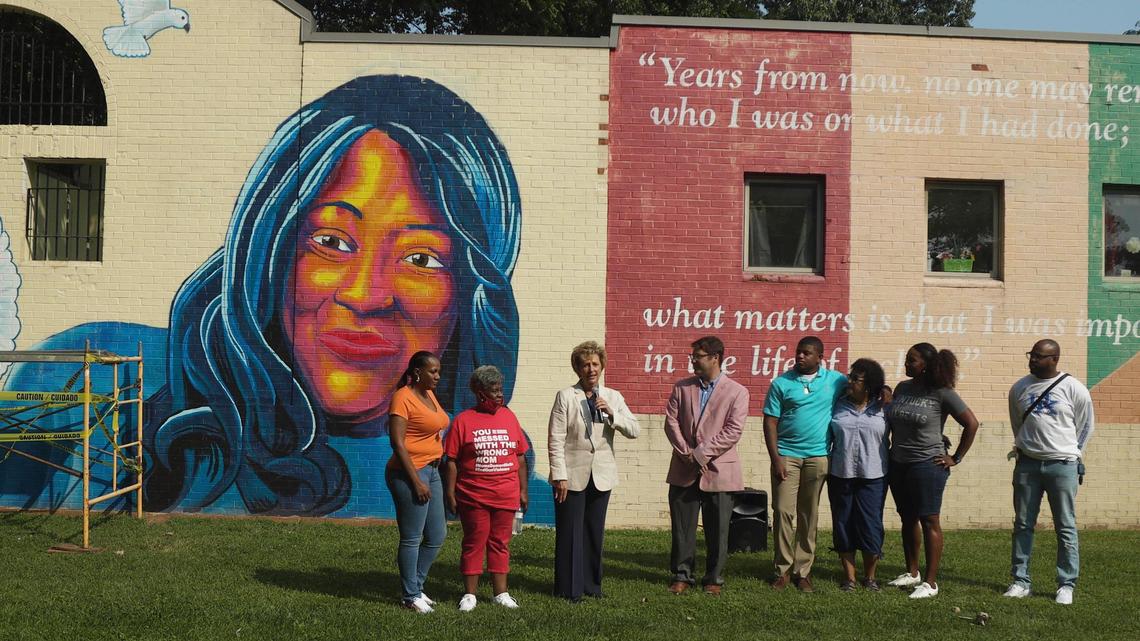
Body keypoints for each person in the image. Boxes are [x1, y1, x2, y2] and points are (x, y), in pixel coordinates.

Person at [0, 75, 528, 518]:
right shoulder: (84, 367)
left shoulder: (513, 482)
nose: (367, 297)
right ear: (267, 252)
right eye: (331, 242)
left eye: (421, 260)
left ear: (471, 295)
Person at [1003, 339, 1094, 605]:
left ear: (1054, 359)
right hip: (1028, 465)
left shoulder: (1074, 388)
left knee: (1065, 526)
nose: (1032, 360)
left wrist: (1071, 453)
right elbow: (1017, 423)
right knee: (1022, 524)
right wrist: (1027, 449)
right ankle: (1020, 580)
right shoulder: (1019, 387)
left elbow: (1086, 426)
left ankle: (1066, 584)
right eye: (1031, 354)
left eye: (1039, 356)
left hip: (1062, 465)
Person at [885, 343, 979, 599]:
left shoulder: (942, 392)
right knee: (907, 518)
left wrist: (955, 457)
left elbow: (971, 423)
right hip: (899, 463)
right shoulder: (903, 388)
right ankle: (912, 572)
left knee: (929, 520)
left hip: (927, 465)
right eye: (906, 359)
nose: (906, 364)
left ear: (925, 365)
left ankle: (930, 583)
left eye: (911, 361)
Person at [548, 340, 640, 602]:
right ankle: (569, 589)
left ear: (602, 366)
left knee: (593, 531)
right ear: (578, 368)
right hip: (571, 475)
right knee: (570, 532)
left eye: (595, 364)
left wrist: (613, 416)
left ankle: (591, 585)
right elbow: (555, 438)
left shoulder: (613, 397)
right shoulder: (566, 396)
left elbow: (635, 430)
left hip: (601, 475)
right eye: (585, 364)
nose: (591, 369)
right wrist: (559, 475)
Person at [664, 336, 749, 596]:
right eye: (693, 356)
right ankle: (682, 575)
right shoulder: (681, 387)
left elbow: (733, 431)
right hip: (683, 467)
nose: (693, 360)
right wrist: (686, 452)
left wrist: (701, 453)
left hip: (719, 470)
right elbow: (671, 422)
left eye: (698, 356)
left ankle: (713, 578)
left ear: (715, 357)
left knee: (718, 529)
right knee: (682, 528)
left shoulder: (737, 391)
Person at [762, 336, 847, 592]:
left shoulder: (836, 381)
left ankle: (803, 571)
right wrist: (775, 457)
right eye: (798, 352)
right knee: (783, 512)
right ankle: (782, 570)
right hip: (786, 456)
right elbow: (770, 422)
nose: (800, 357)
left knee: (808, 515)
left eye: (807, 353)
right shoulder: (781, 383)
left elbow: (861, 385)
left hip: (819, 457)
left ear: (821, 357)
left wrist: (884, 392)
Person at [444, 365, 530, 612]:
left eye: (500, 389)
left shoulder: (509, 416)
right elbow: (451, 460)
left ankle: (500, 593)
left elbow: (520, 456)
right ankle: (469, 594)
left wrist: (523, 490)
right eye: (494, 391)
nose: (499, 395)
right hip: (474, 495)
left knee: (500, 543)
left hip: (506, 493)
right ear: (480, 393)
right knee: (474, 542)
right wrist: (450, 493)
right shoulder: (463, 421)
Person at [387, 351, 450, 613]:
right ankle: (410, 596)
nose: (437, 376)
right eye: (432, 371)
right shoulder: (403, 398)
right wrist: (416, 481)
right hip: (408, 473)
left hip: (432, 470)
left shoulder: (429, 394)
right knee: (412, 537)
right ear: (417, 372)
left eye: (438, 371)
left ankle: (416, 587)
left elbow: (433, 426)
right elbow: (397, 443)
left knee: (437, 535)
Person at [827, 358, 890, 592]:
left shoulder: (884, 408)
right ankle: (850, 578)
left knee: (871, 525)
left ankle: (870, 577)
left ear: (869, 384)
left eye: (856, 379)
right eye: (850, 377)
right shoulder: (838, 404)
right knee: (843, 523)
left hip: (873, 476)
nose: (849, 382)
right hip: (841, 474)